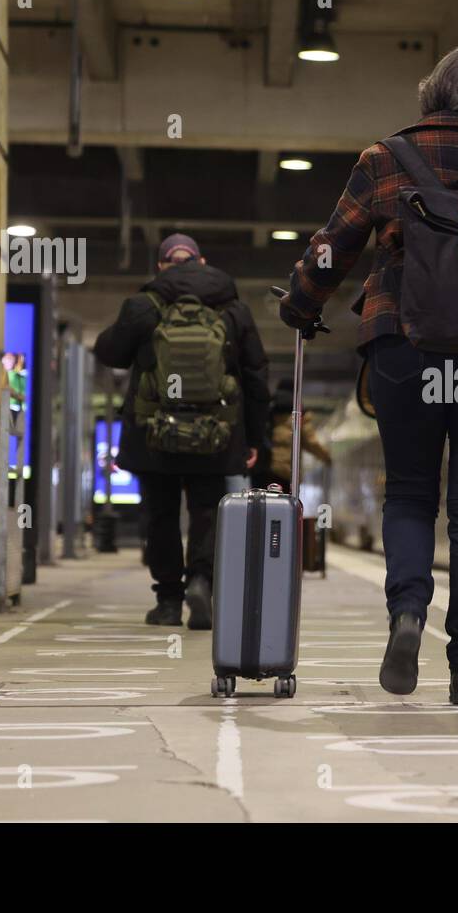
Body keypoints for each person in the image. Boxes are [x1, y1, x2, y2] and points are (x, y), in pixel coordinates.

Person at [275, 43, 458, 705]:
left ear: (434, 93)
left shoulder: (385, 159)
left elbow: (333, 246)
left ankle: (408, 614)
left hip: (406, 348)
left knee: (412, 494)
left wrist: (302, 305)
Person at [94, 234, 271, 630]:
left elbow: (109, 352)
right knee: (207, 512)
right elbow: (257, 377)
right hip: (216, 435)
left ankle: (169, 601)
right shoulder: (234, 310)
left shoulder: (145, 306)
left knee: (160, 515)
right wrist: (255, 439)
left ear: (162, 266)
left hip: (153, 434)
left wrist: (126, 322)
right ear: (202, 262)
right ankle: (202, 582)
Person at [258, 378, 332, 493]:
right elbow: (311, 442)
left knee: (264, 505)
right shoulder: (299, 414)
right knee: (285, 506)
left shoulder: (269, 409)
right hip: (286, 472)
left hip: (264, 469)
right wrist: (327, 457)